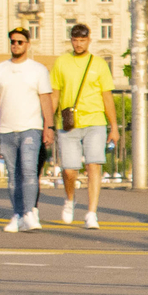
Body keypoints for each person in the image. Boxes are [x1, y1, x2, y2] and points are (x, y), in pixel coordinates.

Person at [0, 27, 54, 233]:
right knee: (13, 175)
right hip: (6, 129)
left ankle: (30, 212)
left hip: (31, 128)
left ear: (27, 45)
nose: (16, 45)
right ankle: (17, 214)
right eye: (13, 41)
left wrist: (49, 127)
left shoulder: (38, 70)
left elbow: (45, 99)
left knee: (29, 171)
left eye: (20, 42)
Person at [50, 21, 116, 229]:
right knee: (69, 170)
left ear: (89, 40)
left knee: (93, 165)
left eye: (82, 40)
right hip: (69, 122)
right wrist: (48, 122)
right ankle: (70, 199)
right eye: (75, 40)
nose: (78, 44)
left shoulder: (99, 64)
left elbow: (107, 97)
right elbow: (55, 94)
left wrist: (113, 126)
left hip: (95, 120)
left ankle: (91, 213)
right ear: (71, 40)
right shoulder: (61, 63)